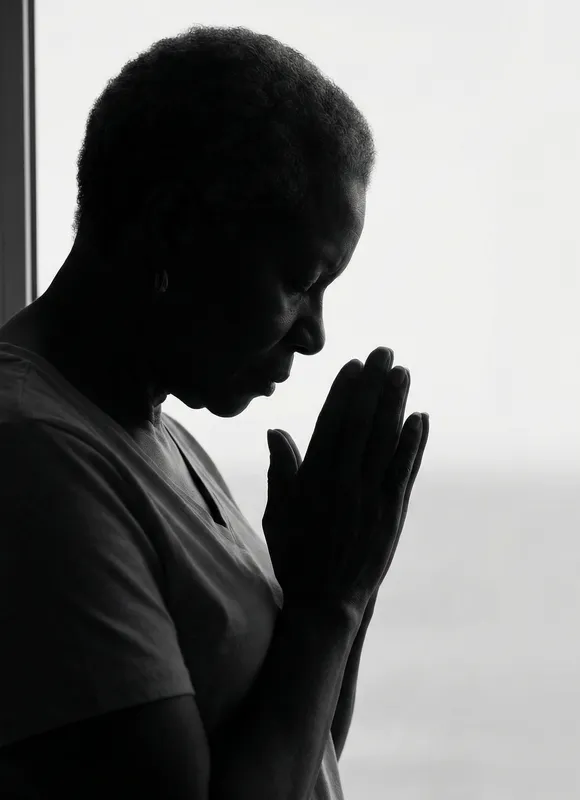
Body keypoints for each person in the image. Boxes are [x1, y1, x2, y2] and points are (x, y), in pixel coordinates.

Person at [0, 24, 430, 800]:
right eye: (301, 278)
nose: (315, 333)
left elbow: (305, 757)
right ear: (170, 232)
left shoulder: (160, 436)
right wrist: (328, 606)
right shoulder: (33, 457)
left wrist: (335, 596)